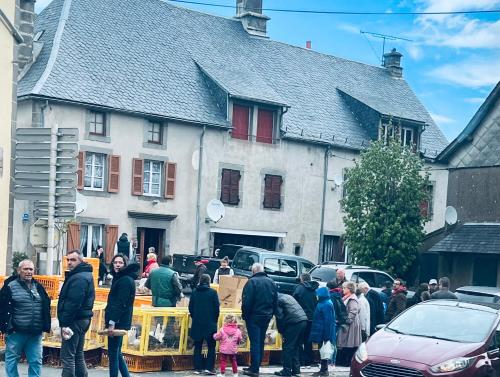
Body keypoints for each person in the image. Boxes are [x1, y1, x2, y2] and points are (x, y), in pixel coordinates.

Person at [0, 259, 51, 377]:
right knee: (12, 360)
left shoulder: (38, 287)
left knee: (36, 361)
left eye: (31, 269)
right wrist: (6, 327)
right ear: (19, 271)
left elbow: (45, 305)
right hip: (16, 332)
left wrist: (45, 325)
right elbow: (2, 307)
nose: (29, 272)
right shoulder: (10, 286)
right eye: (25, 269)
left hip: (35, 333)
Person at [58, 249, 96, 377]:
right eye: (68, 259)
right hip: (81, 319)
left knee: (68, 356)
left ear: (81, 261)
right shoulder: (83, 275)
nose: (69, 262)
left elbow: (73, 303)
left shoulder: (79, 277)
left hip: (74, 320)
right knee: (78, 354)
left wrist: (65, 323)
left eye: (73, 260)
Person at [241, 263, 278, 377]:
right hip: (266, 316)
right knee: (261, 342)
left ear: (253, 271)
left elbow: (247, 302)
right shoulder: (271, 282)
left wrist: (245, 315)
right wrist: (272, 313)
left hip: (254, 317)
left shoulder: (251, 282)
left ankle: (254, 369)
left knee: (255, 343)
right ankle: (255, 365)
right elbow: (275, 299)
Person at [105, 254, 139, 377]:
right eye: (115, 262)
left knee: (113, 353)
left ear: (125, 265)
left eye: (120, 262)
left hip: (118, 321)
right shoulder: (120, 278)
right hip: (119, 320)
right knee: (116, 352)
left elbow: (120, 303)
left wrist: (112, 322)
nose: (117, 264)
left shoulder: (124, 280)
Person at [189, 274, 220, 375]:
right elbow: (216, 309)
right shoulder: (213, 293)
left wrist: (195, 317)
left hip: (197, 323)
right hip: (210, 324)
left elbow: (191, 308)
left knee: (198, 346)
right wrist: (214, 320)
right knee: (211, 346)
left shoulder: (194, 292)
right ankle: (209, 368)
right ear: (209, 281)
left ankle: (197, 368)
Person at [274, 294, 308, 376]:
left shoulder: (277, 300)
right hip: (303, 320)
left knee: (287, 347)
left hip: (294, 323)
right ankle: (296, 370)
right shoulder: (287, 296)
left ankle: (286, 370)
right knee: (295, 346)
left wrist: (281, 331)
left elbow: (280, 317)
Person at [292, 273, 318, 368]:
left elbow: (293, 302)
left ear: (302, 279)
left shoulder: (299, 288)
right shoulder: (314, 289)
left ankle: (300, 360)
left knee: (299, 340)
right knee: (308, 340)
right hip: (312, 318)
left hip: (301, 317)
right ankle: (309, 360)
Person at [309, 287, 336, 377]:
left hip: (323, 332)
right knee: (321, 351)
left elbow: (328, 321)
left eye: (317, 294)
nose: (316, 296)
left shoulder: (326, 304)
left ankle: (324, 370)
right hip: (319, 331)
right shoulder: (323, 303)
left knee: (324, 351)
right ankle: (323, 370)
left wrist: (327, 336)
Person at [336, 282, 361, 367]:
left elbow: (353, 310)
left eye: (344, 288)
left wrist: (347, 320)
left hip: (351, 324)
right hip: (349, 323)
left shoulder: (352, 299)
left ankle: (347, 362)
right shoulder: (347, 297)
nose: (343, 289)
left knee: (349, 342)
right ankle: (344, 361)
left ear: (349, 289)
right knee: (346, 342)